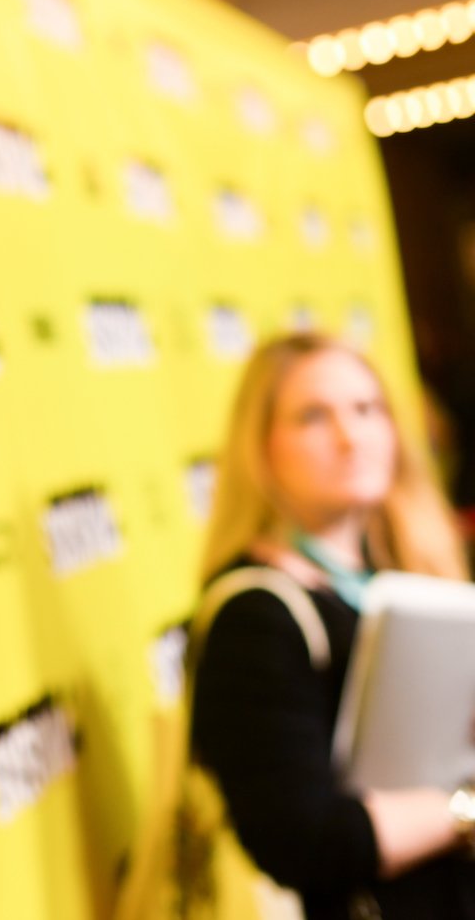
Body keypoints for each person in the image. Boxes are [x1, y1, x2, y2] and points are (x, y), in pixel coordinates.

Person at [192, 332, 475, 918]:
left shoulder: (406, 577)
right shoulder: (255, 615)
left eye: (367, 409)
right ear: (262, 448)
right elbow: (303, 839)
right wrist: (463, 810)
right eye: (314, 417)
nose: (351, 437)